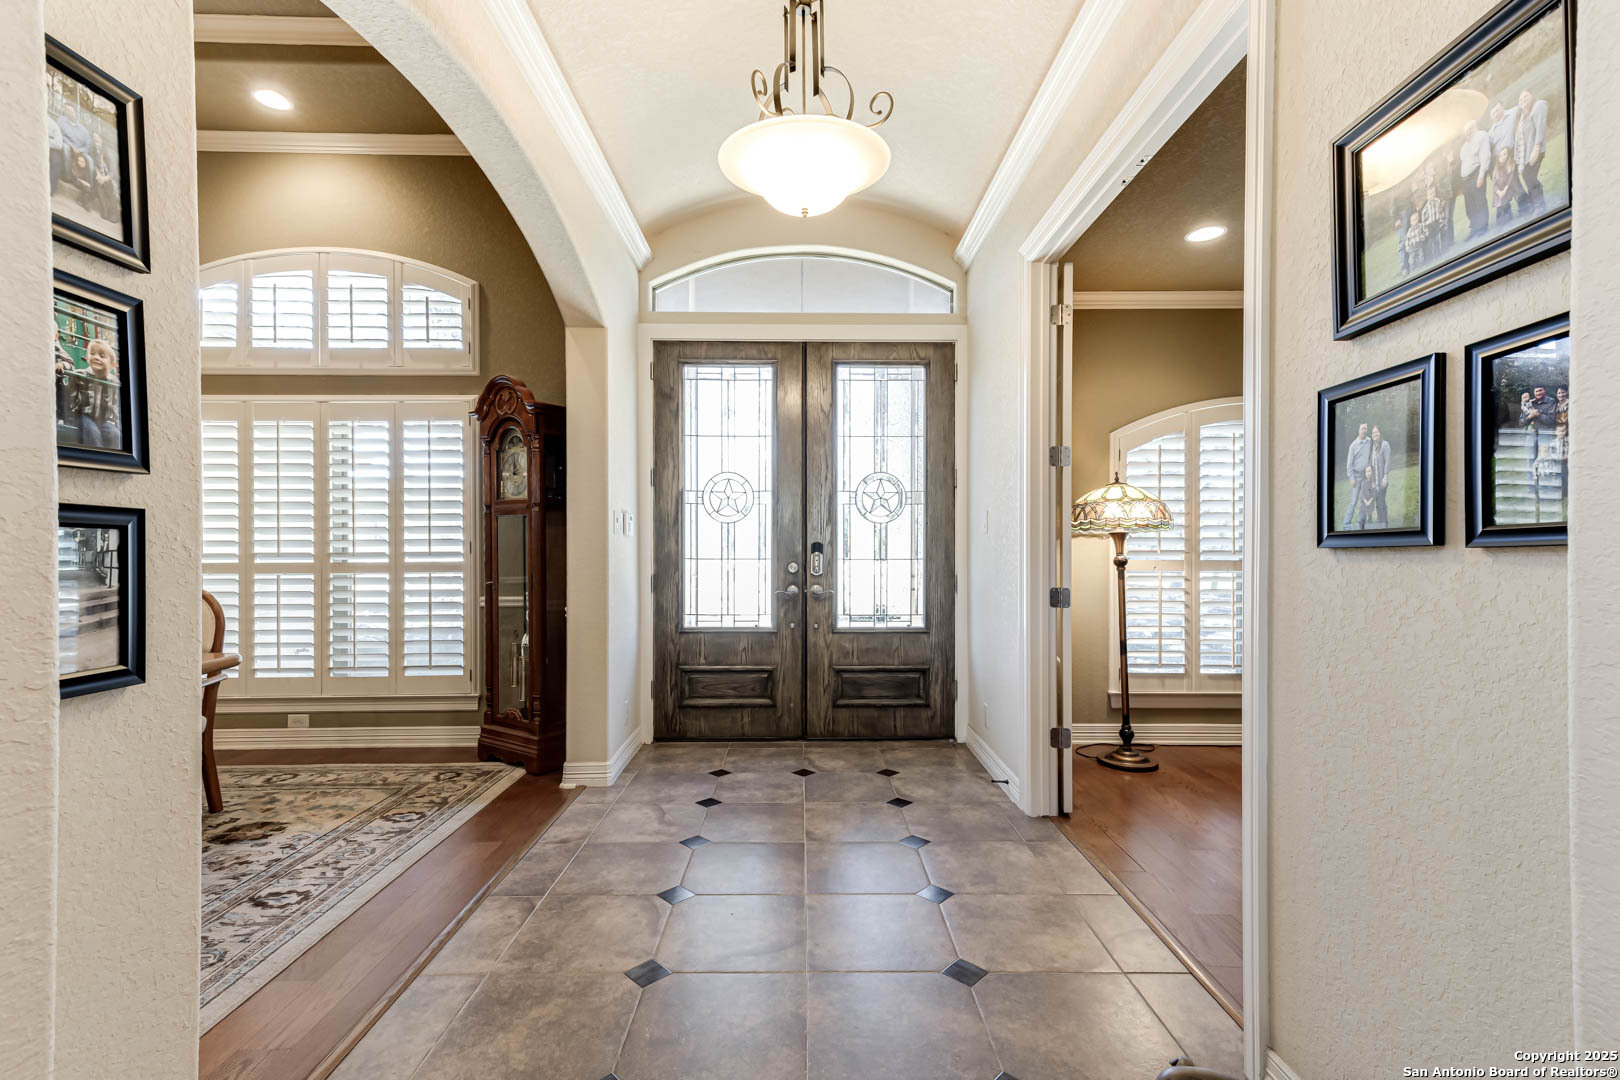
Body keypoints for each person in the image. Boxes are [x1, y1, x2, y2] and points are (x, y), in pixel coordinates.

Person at [1514, 87, 1549, 215]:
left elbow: (1540, 127)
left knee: (1530, 177)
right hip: (1527, 154)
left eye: (1526, 97)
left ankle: (1540, 205)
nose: (1523, 100)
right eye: (1521, 98)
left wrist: (1536, 148)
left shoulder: (1538, 106)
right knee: (1528, 177)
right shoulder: (1523, 116)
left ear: (1532, 96)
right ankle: (1536, 204)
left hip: (1536, 150)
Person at [1458, 118, 1493, 239]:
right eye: (1466, 131)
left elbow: (1485, 156)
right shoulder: (1464, 146)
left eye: (1470, 129)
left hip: (1476, 174)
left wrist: (1481, 175)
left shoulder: (1481, 136)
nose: (1468, 132)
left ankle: (1483, 227)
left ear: (1475, 127)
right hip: (1466, 179)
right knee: (1470, 205)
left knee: (1479, 201)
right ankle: (1474, 227)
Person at [1342, 421, 1372, 529]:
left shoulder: (1369, 441)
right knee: (1354, 501)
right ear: (1358, 430)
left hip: (1366, 476)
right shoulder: (1353, 446)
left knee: (1364, 500)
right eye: (1362, 429)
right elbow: (1349, 464)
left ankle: (1360, 521)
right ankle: (1346, 524)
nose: (1364, 430)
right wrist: (1351, 478)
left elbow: (1369, 456)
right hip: (1356, 477)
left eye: (1365, 428)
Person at [90, 130, 118, 222]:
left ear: (102, 140)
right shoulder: (93, 151)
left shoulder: (107, 153)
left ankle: (113, 213)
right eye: (94, 139)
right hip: (101, 176)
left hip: (110, 177)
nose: (96, 141)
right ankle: (104, 210)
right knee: (98, 186)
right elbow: (95, 165)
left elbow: (112, 172)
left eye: (97, 138)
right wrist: (99, 176)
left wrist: (104, 178)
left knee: (109, 187)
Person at [1492, 145, 1523, 226]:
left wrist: (1504, 191)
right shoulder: (1496, 169)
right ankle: (1503, 215)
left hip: (1507, 189)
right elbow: (1494, 185)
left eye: (1505, 154)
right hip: (1499, 192)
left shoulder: (1510, 165)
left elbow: (1510, 180)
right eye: (1501, 155)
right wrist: (1499, 192)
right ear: (1498, 158)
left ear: (1508, 154)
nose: (1503, 157)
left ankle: (1521, 208)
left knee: (1515, 190)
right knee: (1501, 220)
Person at [1370, 425, 1392, 526]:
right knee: (1379, 504)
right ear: (1372, 435)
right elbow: (1372, 467)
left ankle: (1384, 525)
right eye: (1373, 433)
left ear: (1380, 433)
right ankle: (1381, 524)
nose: (1375, 434)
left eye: (1376, 432)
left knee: (1381, 502)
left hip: (1382, 480)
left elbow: (1387, 462)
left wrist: (1385, 477)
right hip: (1375, 482)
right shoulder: (1373, 448)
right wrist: (1373, 481)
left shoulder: (1385, 445)